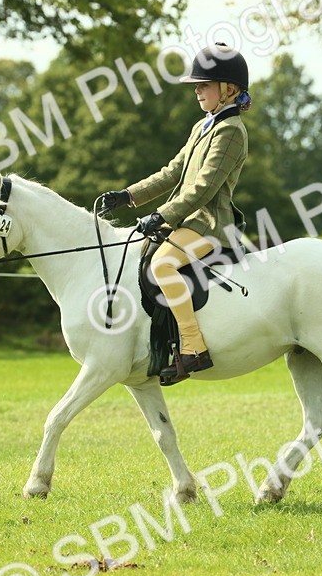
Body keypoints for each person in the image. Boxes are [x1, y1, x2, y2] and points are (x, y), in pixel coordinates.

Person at [99, 43, 252, 384]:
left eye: (204, 85)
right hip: (187, 222)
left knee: (163, 264)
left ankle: (194, 348)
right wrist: (128, 195)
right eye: (196, 85)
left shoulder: (231, 132)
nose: (197, 90)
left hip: (211, 226)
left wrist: (161, 215)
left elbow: (204, 188)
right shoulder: (203, 126)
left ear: (228, 89)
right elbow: (171, 173)